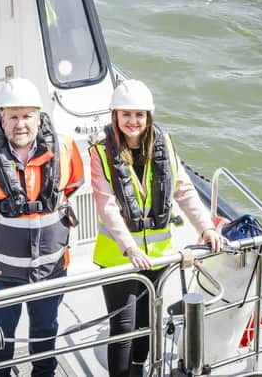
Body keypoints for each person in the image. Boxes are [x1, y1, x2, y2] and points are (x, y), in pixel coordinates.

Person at [89, 79, 224, 377]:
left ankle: (139, 368)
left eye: (139, 115)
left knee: (149, 320)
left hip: (159, 255)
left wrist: (207, 229)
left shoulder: (164, 144)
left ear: (149, 117)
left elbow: (184, 189)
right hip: (119, 256)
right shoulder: (100, 153)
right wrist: (130, 248)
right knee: (123, 327)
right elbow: (107, 206)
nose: (133, 121)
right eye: (126, 114)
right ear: (115, 116)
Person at [0, 78, 84, 376]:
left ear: (39, 117)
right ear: (1, 119)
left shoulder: (65, 148)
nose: (20, 124)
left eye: (27, 116)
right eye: (12, 116)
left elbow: (72, 184)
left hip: (51, 268)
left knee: (45, 331)